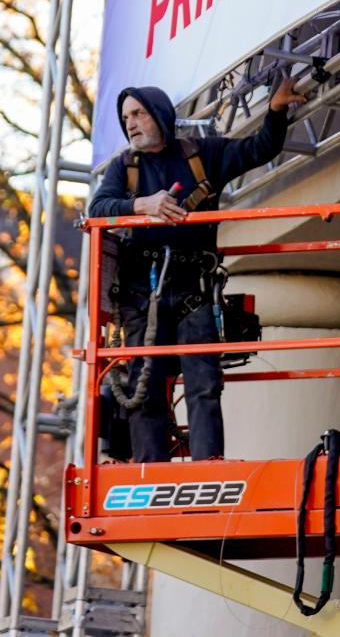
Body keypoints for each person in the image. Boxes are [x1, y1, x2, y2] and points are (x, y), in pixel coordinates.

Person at [87, 78, 304, 462]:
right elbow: (98, 208)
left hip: (192, 289)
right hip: (143, 295)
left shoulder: (202, 154)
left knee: (204, 383)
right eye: (125, 117)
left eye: (138, 113)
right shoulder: (125, 168)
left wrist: (275, 111)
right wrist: (143, 206)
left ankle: (207, 466)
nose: (131, 123)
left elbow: (260, 148)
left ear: (159, 115)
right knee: (145, 388)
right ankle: (148, 471)